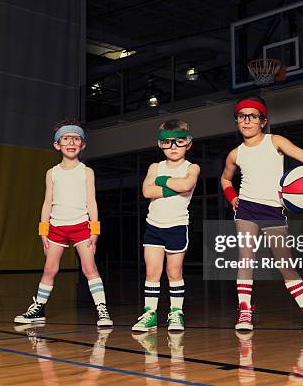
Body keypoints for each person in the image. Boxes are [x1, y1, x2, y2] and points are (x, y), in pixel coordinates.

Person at [221, 97, 303, 332]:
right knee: (246, 258)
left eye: (252, 116)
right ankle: (245, 310)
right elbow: (225, 178)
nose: (247, 120)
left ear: (263, 122)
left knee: (285, 263)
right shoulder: (235, 154)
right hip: (246, 209)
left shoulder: (274, 141)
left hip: (273, 210)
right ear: (237, 121)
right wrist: (232, 196)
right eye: (241, 116)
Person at [14, 119, 113, 327]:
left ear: (82, 145)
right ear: (57, 145)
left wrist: (94, 230)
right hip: (56, 228)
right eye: (66, 138)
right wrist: (43, 230)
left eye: (76, 139)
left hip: (81, 227)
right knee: (49, 270)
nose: (71, 142)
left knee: (90, 268)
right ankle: (38, 309)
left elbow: (91, 201)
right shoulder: (52, 172)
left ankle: (102, 311)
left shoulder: (87, 172)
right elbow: (47, 201)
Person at [132, 120, 200, 332]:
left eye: (179, 142)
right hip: (153, 226)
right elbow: (146, 192)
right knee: (152, 272)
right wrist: (173, 185)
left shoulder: (192, 167)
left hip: (177, 226)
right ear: (160, 144)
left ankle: (176, 313)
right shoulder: (155, 167)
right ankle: (150, 313)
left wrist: (160, 181)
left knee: (174, 272)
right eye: (167, 142)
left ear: (188, 144)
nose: (173, 147)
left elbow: (186, 185)